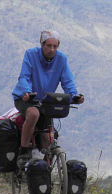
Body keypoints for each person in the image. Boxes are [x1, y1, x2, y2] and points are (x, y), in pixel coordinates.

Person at [11, 30, 84, 162]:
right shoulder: (31, 55)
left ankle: (44, 167)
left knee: (46, 137)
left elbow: (67, 81)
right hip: (25, 98)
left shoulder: (61, 59)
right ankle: (23, 150)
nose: (51, 49)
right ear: (42, 44)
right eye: (48, 46)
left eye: (55, 46)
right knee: (33, 114)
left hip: (45, 100)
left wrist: (74, 96)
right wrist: (27, 92)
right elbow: (24, 77)